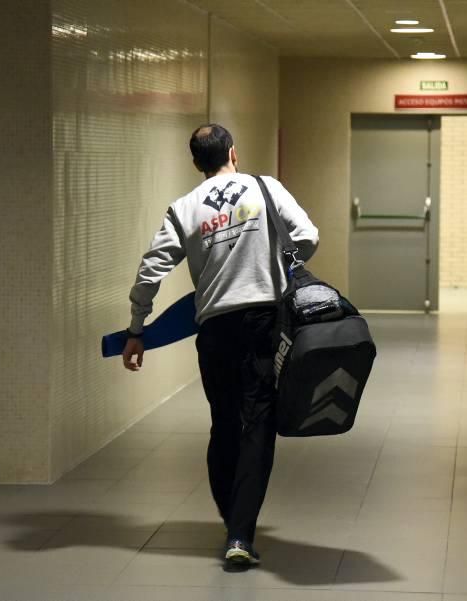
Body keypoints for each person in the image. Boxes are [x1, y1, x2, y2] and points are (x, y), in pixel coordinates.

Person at [122, 124, 318, 568]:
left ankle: (233, 522)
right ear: (234, 152)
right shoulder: (264, 187)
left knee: (223, 423)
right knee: (258, 422)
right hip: (264, 321)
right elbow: (307, 235)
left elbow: (150, 272)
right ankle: (240, 534)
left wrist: (137, 329)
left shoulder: (184, 207)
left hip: (214, 329)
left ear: (196, 163)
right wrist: (277, 268)